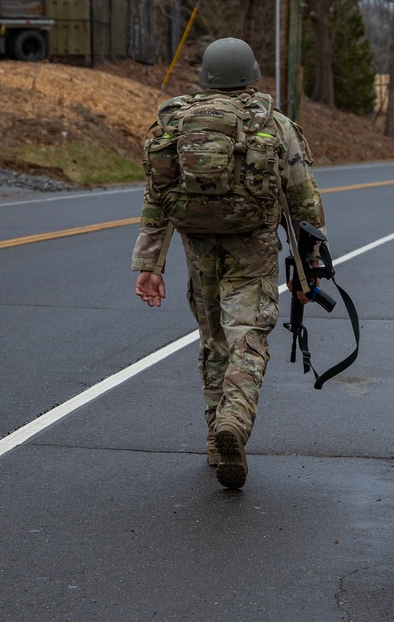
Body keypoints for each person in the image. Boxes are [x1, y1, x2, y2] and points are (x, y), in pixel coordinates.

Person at [131, 37, 325, 490]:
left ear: (206, 78)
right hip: (253, 246)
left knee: (214, 339)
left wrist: (149, 265)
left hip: (198, 248)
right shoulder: (275, 126)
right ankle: (234, 422)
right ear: (252, 75)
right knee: (248, 336)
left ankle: (215, 441)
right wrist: (309, 267)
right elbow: (304, 201)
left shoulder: (177, 125)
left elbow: (157, 196)